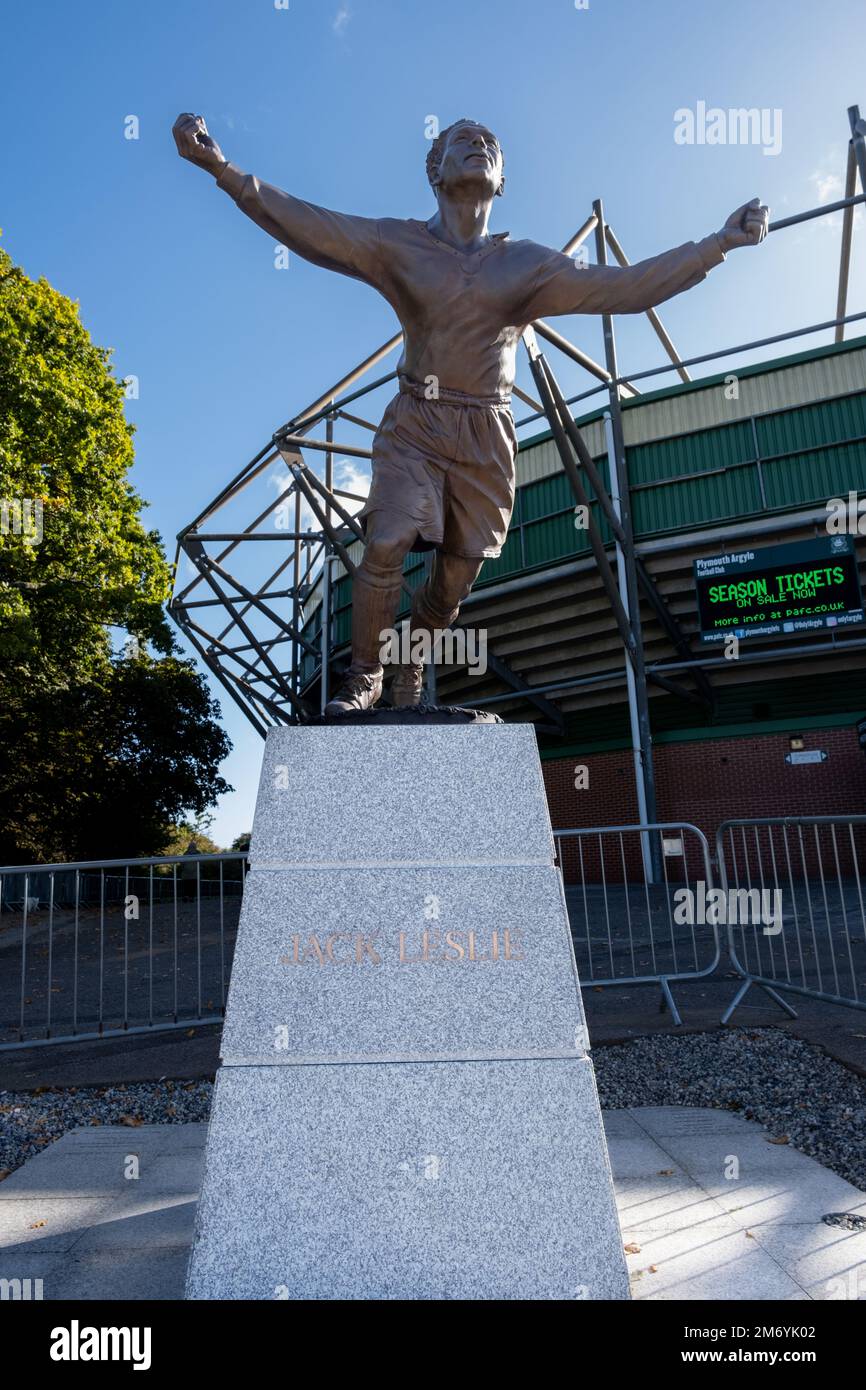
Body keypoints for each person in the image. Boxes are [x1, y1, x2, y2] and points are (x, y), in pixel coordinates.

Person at [173, 113, 768, 714]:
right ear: (435, 172)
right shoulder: (395, 244)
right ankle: (364, 675)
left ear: (502, 179)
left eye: (490, 145)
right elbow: (313, 227)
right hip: (418, 423)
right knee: (386, 540)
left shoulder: (528, 265)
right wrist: (224, 171)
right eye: (463, 142)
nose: (479, 147)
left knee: (455, 579)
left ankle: (413, 660)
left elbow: (628, 287)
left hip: (487, 434)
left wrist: (716, 244)